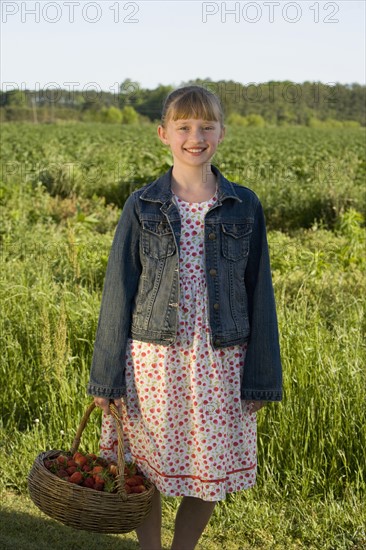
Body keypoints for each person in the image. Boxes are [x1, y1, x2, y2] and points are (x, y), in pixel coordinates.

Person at [87, 85, 282, 550]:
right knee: (146, 466)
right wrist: (105, 378)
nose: (195, 137)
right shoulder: (142, 205)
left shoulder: (245, 205)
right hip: (153, 360)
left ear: (221, 133)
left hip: (222, 361)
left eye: (205, 127)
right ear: (164, 134)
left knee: (208, 468)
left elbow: (261, 296)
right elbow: (118, 291)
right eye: (184, 127)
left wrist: (261, 376)